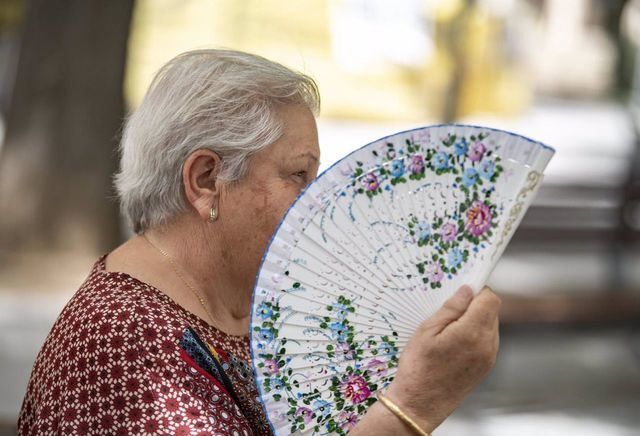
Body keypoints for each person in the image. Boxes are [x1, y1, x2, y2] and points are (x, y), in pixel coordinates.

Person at [17, 49, 501, 435]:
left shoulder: (237, 311)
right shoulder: (125, 342)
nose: (320, 206)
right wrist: (411, 407)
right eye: (298, 175)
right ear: (207, 180)